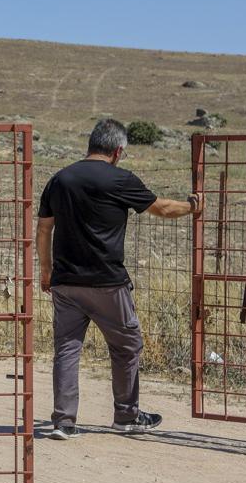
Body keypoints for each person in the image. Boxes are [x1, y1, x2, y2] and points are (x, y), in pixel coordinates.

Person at [36, 119, 202, 440]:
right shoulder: (120, 179)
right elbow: (162, 209)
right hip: (107, 282)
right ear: (117, 150)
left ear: (91, 144)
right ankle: (126, 415)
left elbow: (44, 228)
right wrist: (192, 206)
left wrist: (46, 271)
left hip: (66, 281)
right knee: (127, 345)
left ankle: (63, 421)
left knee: (67, 350)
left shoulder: (60, 179)